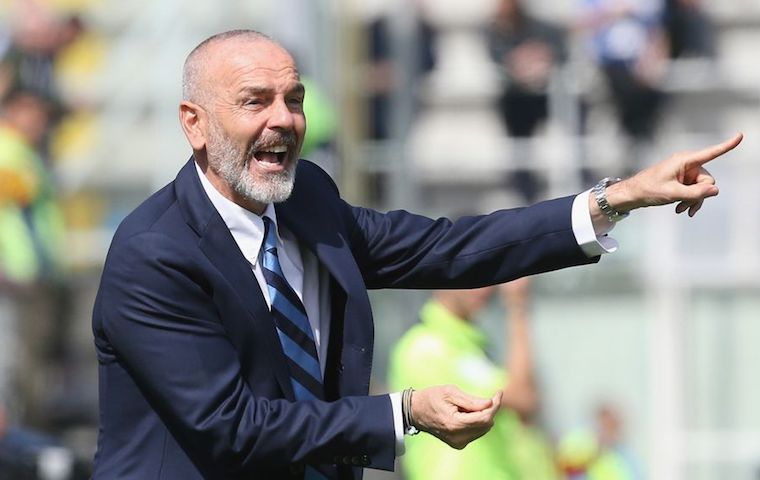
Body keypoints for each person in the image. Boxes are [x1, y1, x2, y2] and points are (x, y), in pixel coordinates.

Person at [90, 29, 742, 480]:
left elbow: (446, 247)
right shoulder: (154, 254)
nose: (283, 119)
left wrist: (618, 197)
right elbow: (233, 428)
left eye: (295, 99)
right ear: (194, 123)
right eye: (254, 101)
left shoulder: (309, 198)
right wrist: (403, 413)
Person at [389, 278, 559, 479]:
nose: (485, 287)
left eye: (490, 275)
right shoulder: (426, 347)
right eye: (472, 273)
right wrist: (517, 304)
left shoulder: (471, 345)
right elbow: (523, 398)